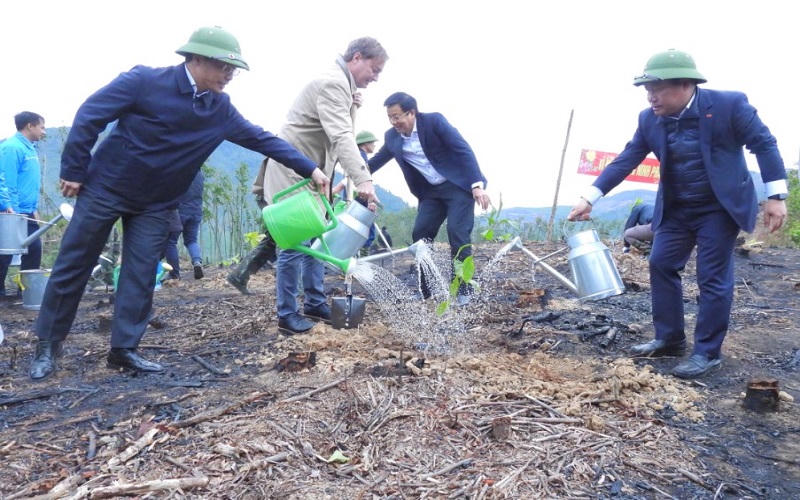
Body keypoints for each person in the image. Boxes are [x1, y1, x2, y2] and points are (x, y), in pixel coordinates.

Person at [29, 26, 329, 381]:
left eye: (234, 69)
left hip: (156, 203)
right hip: (105, 188)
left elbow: (260, 138)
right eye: (223, 66)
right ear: (196, 59)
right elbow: (90, 114)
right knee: (74, 263)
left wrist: (310, 168)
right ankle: (48, 345)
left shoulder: (220, 109)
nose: (229, 75)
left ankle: (124, 349)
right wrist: (74, 169)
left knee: (141, 274)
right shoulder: (144, 82)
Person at [568, 49, 788, 379]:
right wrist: (590, 197)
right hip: (677, 207)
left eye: (656, 89)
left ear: (685, 85)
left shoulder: (729, 106)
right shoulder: (649, 119)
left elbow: (765, 144)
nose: (650, 97)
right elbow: (627, 159)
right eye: (646, 90)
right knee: (661, 263)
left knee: (711, 277)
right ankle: (669, 337)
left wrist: (776, 196)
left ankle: (707, 352)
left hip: (718, 208)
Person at [228, 37, 386, 337]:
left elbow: (340, 131)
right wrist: (364, 180)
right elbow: (342, 137)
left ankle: (314, 303)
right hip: (294, 170)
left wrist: (352, 105)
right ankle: (287, 315)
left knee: (319, 236)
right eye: (374, 69)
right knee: (294, 242)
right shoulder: (332, 83)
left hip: (315, 174)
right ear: (357, 57)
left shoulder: (343, 87)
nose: (375, 77)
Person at [368, 92, 490, 304]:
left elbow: (463, 150)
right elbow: (375, 162)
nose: (394, 122)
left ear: (411, 112)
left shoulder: (434, 122)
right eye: (390, 117)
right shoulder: (392, 137)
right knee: (420, 234)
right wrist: (354, 176)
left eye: (397, 116)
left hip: (458, 187)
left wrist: (476, 185)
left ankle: (463, 288)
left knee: (457, 233)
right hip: (430, 193)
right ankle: (427, 289)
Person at [0, 112, 46, 298]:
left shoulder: (30, 148)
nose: (43, 131)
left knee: (33, 249)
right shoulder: (11, 147)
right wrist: (6, 204)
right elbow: (4, 177)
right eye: (41, 127)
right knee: (5, 252)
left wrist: (33, 208)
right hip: (11, 210)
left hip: (26, 210)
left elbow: (27, 182)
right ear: (30, 126)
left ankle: (26, 292)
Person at [332, 130, 379, 254]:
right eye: (372, 142)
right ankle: (360, 256)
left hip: (353, 197)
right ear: (365, 143)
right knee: (365, 229)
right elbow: (355, 179)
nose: (374, 145)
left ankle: (354, 255)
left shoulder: (356, 156)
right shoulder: (360, 158)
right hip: (359, 198)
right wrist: (370, 201)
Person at [164, 170, 205, 279]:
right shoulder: (200, 174)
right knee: (191, 240)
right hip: (196, 211)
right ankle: (197, 262)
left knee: (170, 242)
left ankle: (174, 274)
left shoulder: (182, 169)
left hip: (180, 211)